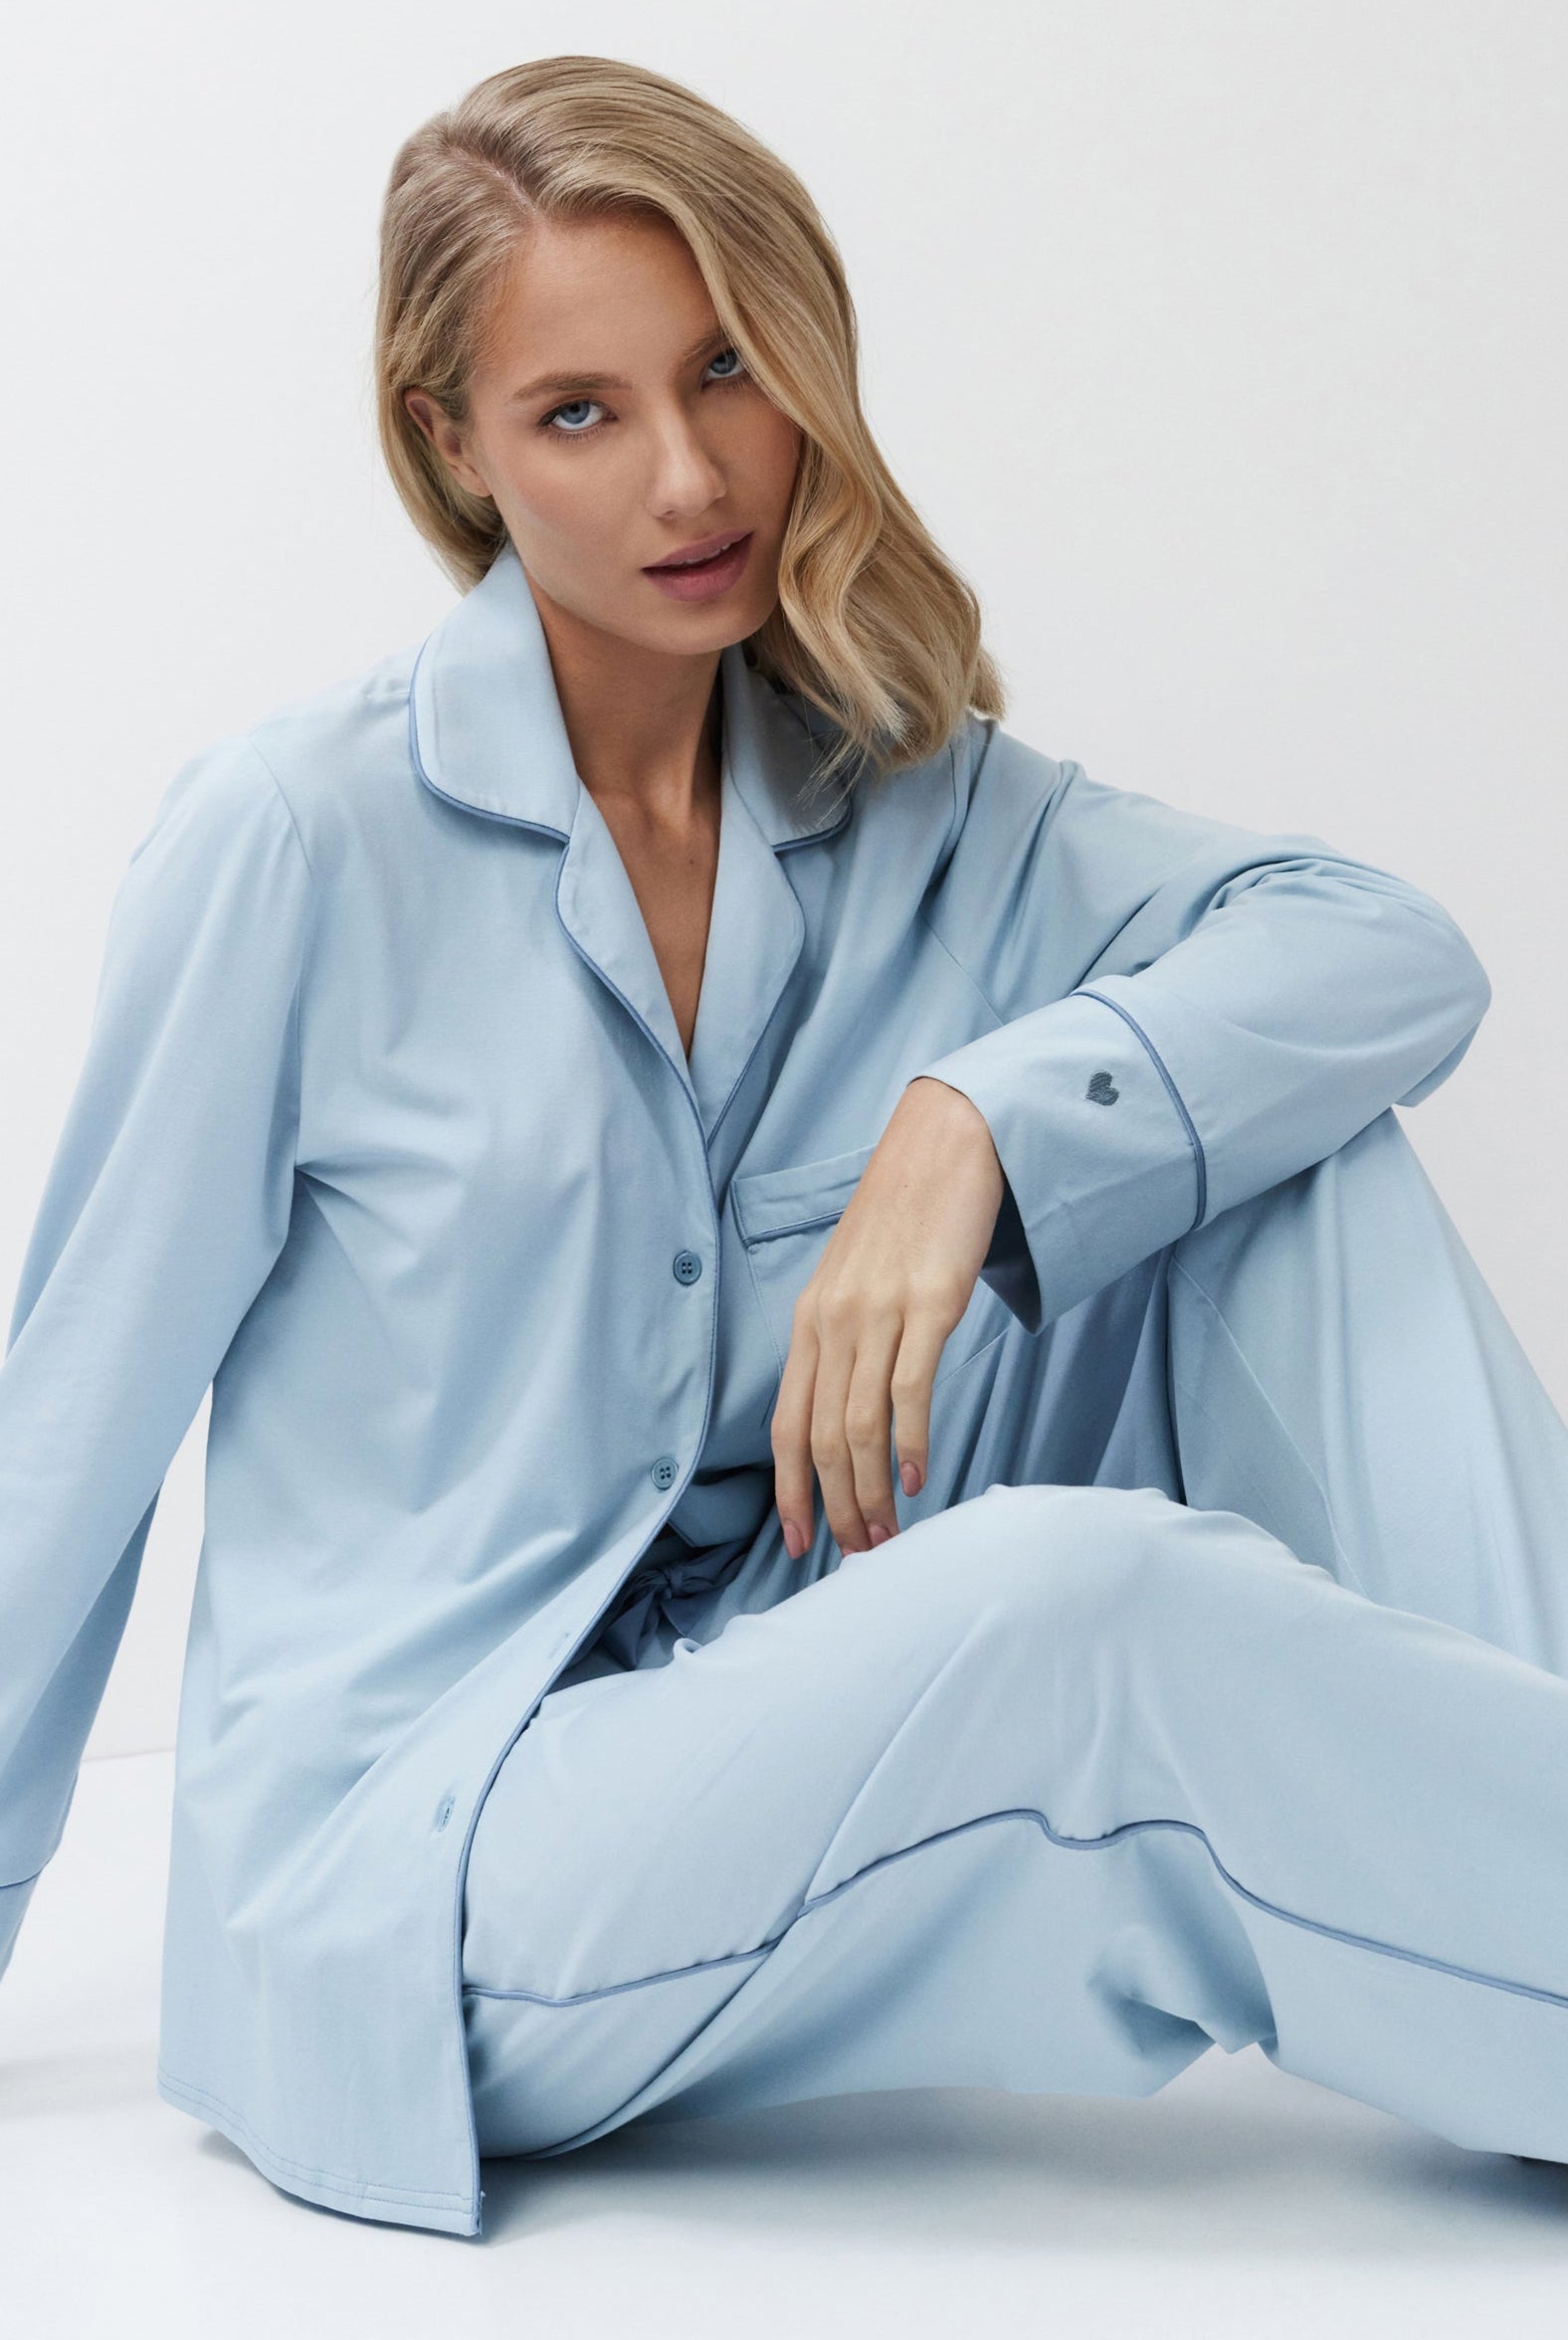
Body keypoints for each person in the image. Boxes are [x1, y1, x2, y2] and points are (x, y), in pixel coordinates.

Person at [4, 53, 1567, 2242]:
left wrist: (976, 1124)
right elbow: (58, 1436)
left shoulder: (914, 793)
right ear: (448, 447)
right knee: (1086, 1610)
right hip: (451, 1851)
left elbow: (1382, 953)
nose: (688, 474)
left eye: (727, 368)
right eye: (579, 413)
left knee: (1275, 1152)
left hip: (803, 1703)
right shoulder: (292, 843)